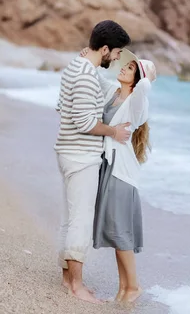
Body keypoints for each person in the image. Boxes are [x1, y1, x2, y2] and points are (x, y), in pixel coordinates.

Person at [54, 20, 132, 304]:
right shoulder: (86, 75)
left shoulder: (76, 65)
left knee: (70, 219)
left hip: (67, 151)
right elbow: (86, 122)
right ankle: (76, 285)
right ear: (105, 48)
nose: (115, 59)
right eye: (116, 53)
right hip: (80, 156)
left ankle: (66, 278)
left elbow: (64, 106)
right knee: (81, 223)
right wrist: (114, 131)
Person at [81, 47, 156, 303]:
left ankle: (133, 287)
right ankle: (124, 288)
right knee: (115, 232)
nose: (124, 67)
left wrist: (146, 71)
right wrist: (88, 58)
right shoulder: (113, 93)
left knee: (121, 232)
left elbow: (145, 86)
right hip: (107, 168)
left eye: (130, 68)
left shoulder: (137, 104)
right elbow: (95, 77)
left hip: (121, 174)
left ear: (137, 78)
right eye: (125, 65)